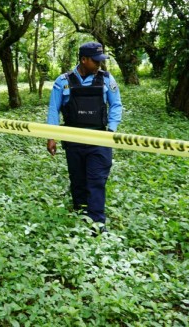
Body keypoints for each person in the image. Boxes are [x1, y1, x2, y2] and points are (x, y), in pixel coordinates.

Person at [46, 41, 123, 233]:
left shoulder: (106, 79)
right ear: (83, 60)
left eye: (101, 60)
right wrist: (51, 136)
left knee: (96, 180)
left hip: (99, 139)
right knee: (78, 180)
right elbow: (53, 109)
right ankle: (81, 216)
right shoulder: (62, 81)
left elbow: (116, 105)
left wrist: (111, 131)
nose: (99, 64)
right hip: (73, 140)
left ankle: (97, 224)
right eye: (95, 61)